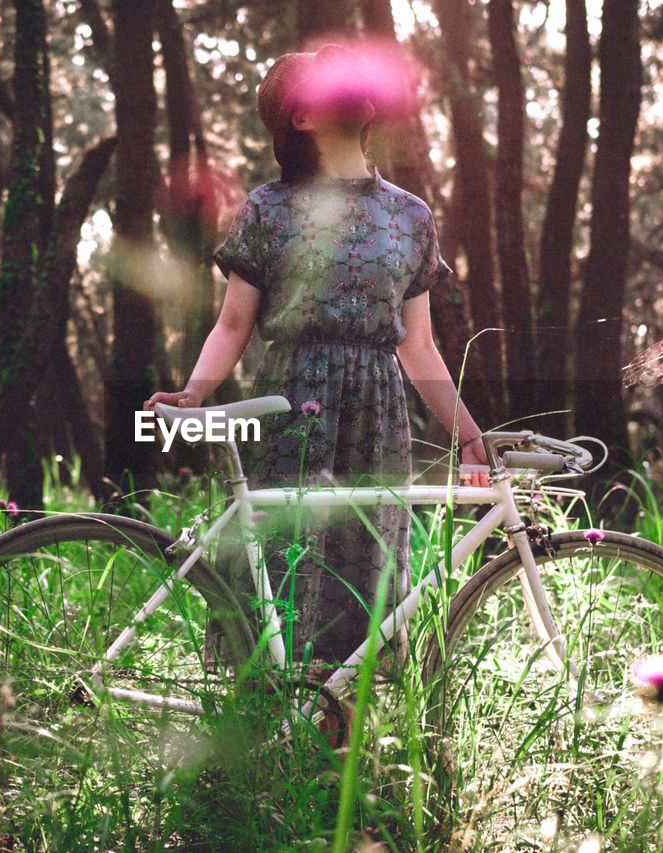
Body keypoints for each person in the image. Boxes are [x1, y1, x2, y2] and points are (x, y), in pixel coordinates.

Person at [143, 43, 490, 679]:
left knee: (370, 561)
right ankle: (258, 725)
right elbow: (233, 322)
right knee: (280, 559)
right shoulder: (268, 208)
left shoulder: (410, 216)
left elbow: (418, 345)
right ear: (300, 117)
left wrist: (467, 433)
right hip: (290, 398)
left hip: (377, 407)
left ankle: (339, 727)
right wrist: (194, 394)